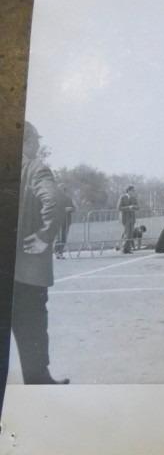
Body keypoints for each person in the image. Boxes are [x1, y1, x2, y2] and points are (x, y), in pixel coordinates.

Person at [13, 121, 69, 384]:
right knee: (32, 331)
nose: (37, 145)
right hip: (26, 273)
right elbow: (55, 201)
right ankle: (39, 383)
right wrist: (45, 236)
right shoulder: (35, 169)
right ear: (28, 141)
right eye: (36, 140)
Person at [54, 183, 75, 259]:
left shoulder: (68, 199)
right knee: (59, 238)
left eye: (64, 189)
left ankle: (60, 252)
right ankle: (57, 252)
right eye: (61, 190)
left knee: (64, 238)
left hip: (67, 221)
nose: (63, 191)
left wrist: (71, 209)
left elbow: (74, 208)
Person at [117, 185, 139, 254]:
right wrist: (128, 207)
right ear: (128, 191)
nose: (133, 192)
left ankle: (128, 249)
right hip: (125, 218)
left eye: (134, 191)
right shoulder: (122, 197)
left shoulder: (134, 198)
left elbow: (138, 207)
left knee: (130, 234)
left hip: (132, 218)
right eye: (132, 190)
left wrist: (134, 207)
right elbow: (119, 208)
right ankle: (123, 248)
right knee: (126, 233)